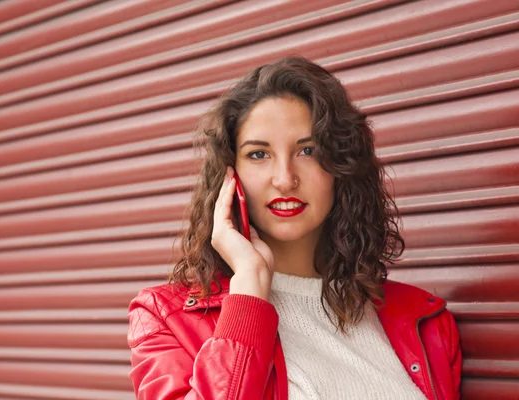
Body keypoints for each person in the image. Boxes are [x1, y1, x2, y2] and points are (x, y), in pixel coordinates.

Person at [127, 55, 461, 399]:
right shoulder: (164, 318)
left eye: (308, 150)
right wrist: (247, 298)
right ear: (230, 175)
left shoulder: (427, 321)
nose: (285, 179)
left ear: (340, 166)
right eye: (259, 154)